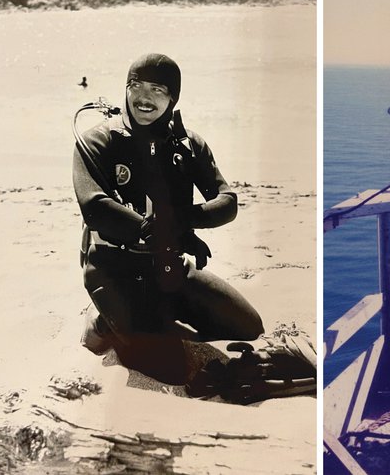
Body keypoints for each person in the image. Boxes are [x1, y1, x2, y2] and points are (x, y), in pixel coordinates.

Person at [73, 53, 264, 369]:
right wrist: (159, 231)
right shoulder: (98, 140)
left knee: (247, 327)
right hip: (113, 269)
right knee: (172, 368)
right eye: (137, 85)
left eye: (157, 89)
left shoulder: (187, 145)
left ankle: (158, 317)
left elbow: (227, 201)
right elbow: (95, 207)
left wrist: (181, 222)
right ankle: (102, 321)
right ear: (126, 89)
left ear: (173, 98)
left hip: (169, 268)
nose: (144, 97)